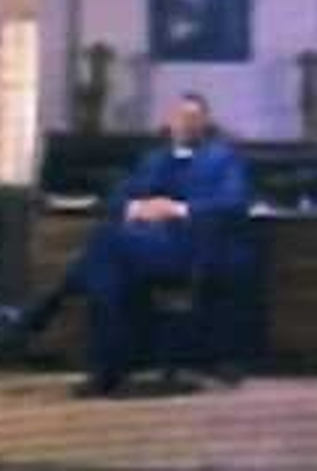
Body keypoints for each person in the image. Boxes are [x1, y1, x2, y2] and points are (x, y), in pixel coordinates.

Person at [15, 92, 253, 397]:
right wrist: (136, 208)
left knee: (106, 245)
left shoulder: (222, 159)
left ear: (205, 122)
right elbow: (118, 197)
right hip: (142, 246)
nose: (186, 123)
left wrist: (177, 209)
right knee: (108, 273)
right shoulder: (154, 159)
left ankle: (51, 314)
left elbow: (234, 204)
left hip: (190, 248)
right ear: (169, 121)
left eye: (194, 117)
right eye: (180, 116)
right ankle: (105, 368)